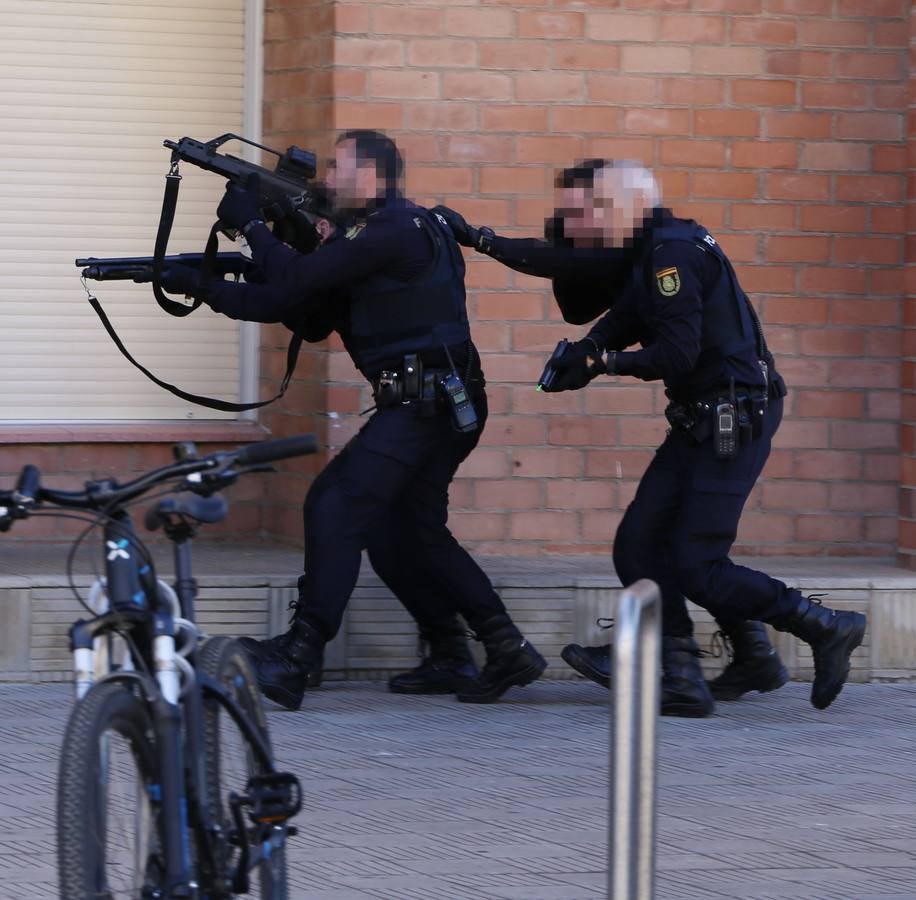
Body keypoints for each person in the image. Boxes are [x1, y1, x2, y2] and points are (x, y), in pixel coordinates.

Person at [458, 160, 864, 718]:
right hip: (704, 415)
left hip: (731, 419)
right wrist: (589, 348)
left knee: (698, 562)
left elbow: (678, 352)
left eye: (592, 209)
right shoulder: (657, 246)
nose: (583, 221)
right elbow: (630, 311)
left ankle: (823, 625)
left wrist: (607, 362)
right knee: (639, 543)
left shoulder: (671, 253)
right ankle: (693, 672)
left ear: (623, 206)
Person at [160, 129, 545, 710]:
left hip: (428, 401)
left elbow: (294, 281)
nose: (326, 182)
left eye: (338, 169)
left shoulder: (391, 229)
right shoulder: (376, 237)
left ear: (370, 177)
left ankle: (299, 654)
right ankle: (477, 648)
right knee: (402, 533)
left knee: (335, 502)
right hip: (441, 401)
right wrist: (204, 285)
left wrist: (255, 229)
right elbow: (296, 308)